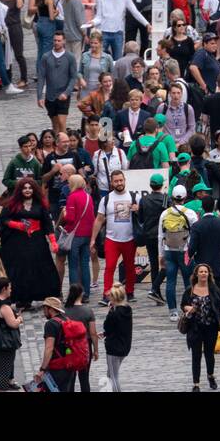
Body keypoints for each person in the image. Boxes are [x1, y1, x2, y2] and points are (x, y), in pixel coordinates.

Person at [0, 176, 61, 309]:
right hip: (18, 242)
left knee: (40, 267)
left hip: (37, 241)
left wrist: (53, 241)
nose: (27, 190)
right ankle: (22, 298)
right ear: (20, 190)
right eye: (24, 188)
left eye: (30, 188)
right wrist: (17, 225)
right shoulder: (12, 204)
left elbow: (47, 224)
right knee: (20, 269)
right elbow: (4, 220)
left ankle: (44, 296)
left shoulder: (41, 205)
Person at [92, 168, 139, 303]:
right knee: (110, 267)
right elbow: (99, 219)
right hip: (111, 239)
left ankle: (130, 292)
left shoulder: (134, 197)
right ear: (112, 183)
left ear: (125, 180)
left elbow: (143, 216)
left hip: (129, 238)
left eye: (121, 180)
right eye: (116, 181)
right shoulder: (106, 199)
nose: (119, 183)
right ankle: (107, 294)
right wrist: (93, 239)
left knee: (130, 267)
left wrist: (138, 209)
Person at [180, 261, 220, 391]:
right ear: (197, 275)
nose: (203, 274)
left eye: (205, 271)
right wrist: (188, 307)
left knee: (210, 355)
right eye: (201, 272)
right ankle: (196, 384)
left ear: (208, 274)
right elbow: (183, 305)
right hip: (195, 327)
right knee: (196, 355)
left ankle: (210, 376)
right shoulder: (190, 290)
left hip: (210, 327)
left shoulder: (214, 290)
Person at [159, 185, 197, 319]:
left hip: (169, 250)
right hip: (185, 251)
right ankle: (189, 308)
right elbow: (195, 235)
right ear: (185, 197)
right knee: (189, 281)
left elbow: (160, 235)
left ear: (172, 197)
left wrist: (161, 254)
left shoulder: (165, 214)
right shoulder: (190, 213)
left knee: (171, 282)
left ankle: (172, 311)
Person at [0, 278, 23, 391]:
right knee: (5, 367)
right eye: (9, 287)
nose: (11, 290)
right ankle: (2, 388)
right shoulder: (4, 306)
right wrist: (19, 319)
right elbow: (12, 324)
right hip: (6, 342)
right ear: (4, 289)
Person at [102, 285, 133, 392]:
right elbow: (118, 327)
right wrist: (105, 333)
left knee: (113, 377)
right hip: (124, 346)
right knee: (110, 374)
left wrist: (110, 311)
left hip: (114, 348)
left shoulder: (114, 313)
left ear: (114, 298)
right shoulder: (127, 309)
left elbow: (107, 325)